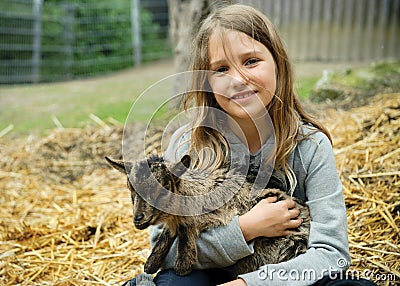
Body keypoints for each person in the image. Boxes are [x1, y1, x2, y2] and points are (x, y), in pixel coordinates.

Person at [123, 4, 377, 286]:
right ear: (205, 81)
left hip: (286, 275)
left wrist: (247, 284)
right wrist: (245, 230)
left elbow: (332, 254)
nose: (239, 79)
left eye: (251, 61)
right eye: (221, 69)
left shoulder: (310, 146)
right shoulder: (187, 146)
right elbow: (166, 252)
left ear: (278, 63)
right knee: (176, 282)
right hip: (211, 275)